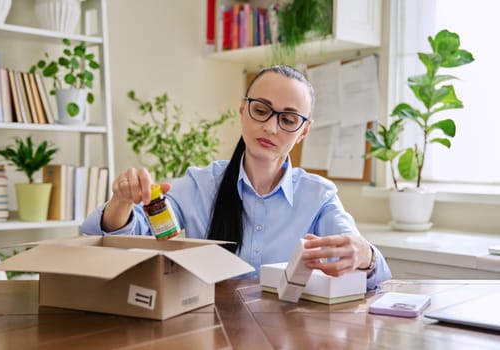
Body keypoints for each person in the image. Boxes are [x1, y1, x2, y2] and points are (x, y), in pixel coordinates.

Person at [81, 65, 392, 290]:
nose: (271, 128)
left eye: (288, 119)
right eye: (262, 110)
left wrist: (365, 256)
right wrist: (122, 200)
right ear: (243, 111)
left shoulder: (318, 197)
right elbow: (118, 237)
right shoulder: (199, 185)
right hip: (203, 331)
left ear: (304, 132)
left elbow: (374, 270)